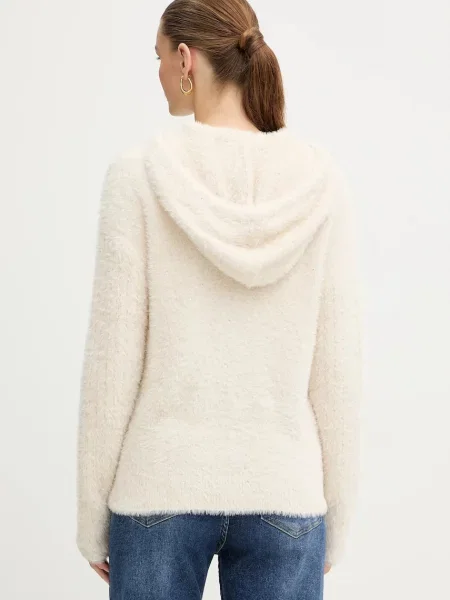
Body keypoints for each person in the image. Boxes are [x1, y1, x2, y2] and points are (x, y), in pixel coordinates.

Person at [75, 0, 362, 598]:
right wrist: (338, 519)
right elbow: (336, 370)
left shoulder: (137, 176)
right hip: (284, 488)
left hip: (159, 486)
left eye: (159, 57)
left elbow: (111, 365)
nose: (158, 72)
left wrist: (91, 518)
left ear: (186, 59)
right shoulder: (321, 183)